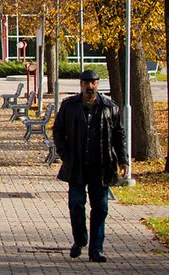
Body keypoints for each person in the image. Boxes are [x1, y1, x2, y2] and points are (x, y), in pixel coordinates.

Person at [52, 69, 128, 263]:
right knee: (76, 205)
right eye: (86, 83)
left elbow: (119, 135)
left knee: (100, 208)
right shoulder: (69, 106)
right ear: (81, 85)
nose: (90, 86)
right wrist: (65, 154)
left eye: (93, 83)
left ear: (98, 84)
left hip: (101, 166)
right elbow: (58, 131)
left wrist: (123, 159)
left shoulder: (110, 107)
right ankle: (80, 239)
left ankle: (97, 249)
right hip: (77, 165)